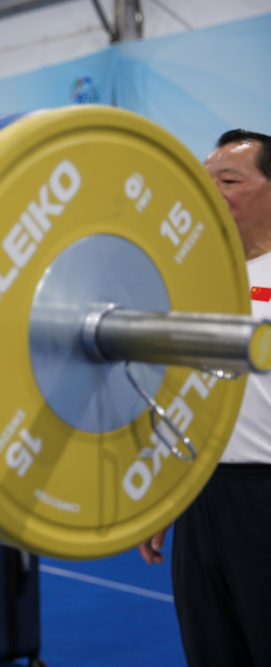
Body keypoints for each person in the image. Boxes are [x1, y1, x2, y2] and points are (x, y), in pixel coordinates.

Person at [139, 129, 271, 667]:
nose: (207, 190)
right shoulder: (190, 280)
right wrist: (164, 495)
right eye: (202, 179)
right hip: (199, 495)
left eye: (229, 179)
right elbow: (176, 390)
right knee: (212, 650)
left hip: (264, 499)